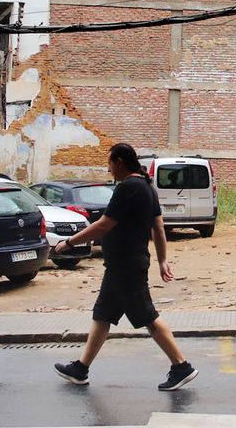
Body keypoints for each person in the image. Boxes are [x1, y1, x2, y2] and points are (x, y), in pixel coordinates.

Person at [52, 143, 197, 391]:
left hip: (126, 267)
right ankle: (81, 369)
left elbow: (103, 225)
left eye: (109, 164)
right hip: (122, 265)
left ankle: (181, 366)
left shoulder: (129, 187)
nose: (108, 170)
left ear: (119, 162)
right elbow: (158, 228)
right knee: (103, 315)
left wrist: (69, 242)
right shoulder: (146, 186)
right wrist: (162, 260)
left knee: (148, 317)